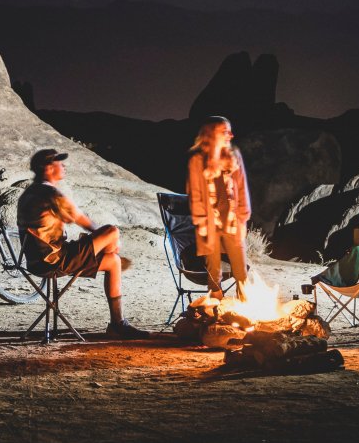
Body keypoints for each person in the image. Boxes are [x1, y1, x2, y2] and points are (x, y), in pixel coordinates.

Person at [17, 147, 154, 339]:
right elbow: (82, 220)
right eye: (59, 162)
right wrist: (109, 241)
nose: (63, 166)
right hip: (55, 259)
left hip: (36, 261)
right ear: (48, 168)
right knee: (112, 231)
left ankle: (117, 324)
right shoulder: (50, 194)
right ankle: (117, 324)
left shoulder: (29, 193)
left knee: (113, 262)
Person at [185, 116, 252, 302]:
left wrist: (243, 217)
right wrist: (200, 221)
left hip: (232, 220)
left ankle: (245, 304)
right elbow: (195, 194)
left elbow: (242, 187)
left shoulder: (233, 155)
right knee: (213, 271)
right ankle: (215, 305)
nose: (231, 135)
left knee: (240, 268)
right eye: (225, 131)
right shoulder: (198, 160)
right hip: (209, 222)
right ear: (212, 134)